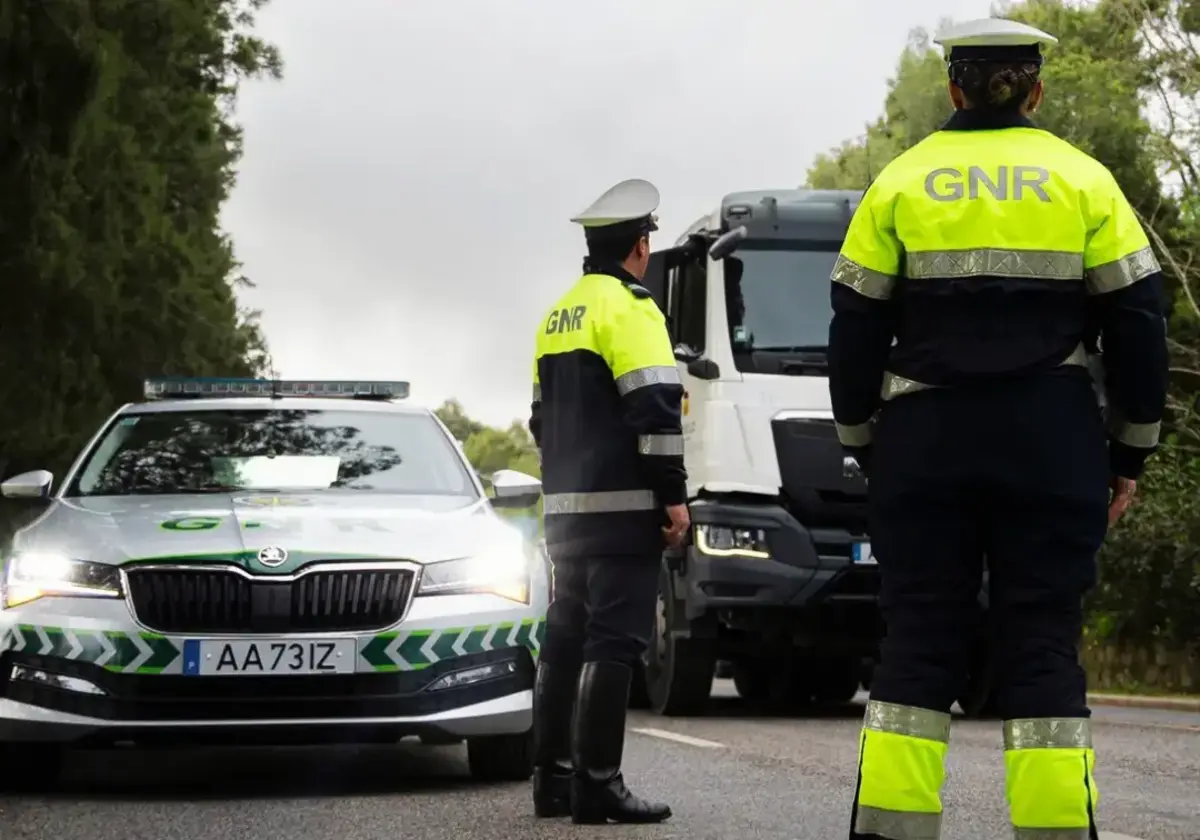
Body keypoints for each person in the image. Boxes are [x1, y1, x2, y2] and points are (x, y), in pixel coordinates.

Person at [827, 18, 1169, 840]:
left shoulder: (901, 182)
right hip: (1051, 441)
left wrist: (864, 443)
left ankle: (889, 832)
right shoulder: (1084, 180)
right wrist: (1128, 454)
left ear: (954, 88)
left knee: (916, 643)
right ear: (1037, 88)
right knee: (1042, 644)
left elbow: (853, 328)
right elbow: (1138, 324)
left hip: (924, 441)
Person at [527, 178, 689, 825]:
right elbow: (655, 411)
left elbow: (539, 421)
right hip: (624, 512)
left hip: (566, 514)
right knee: (614, 642)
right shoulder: (633, 309)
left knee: (564, 640)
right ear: (640, 247)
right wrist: (673, 499)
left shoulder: (556, 315)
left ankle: (553, 783)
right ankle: (598, 785)